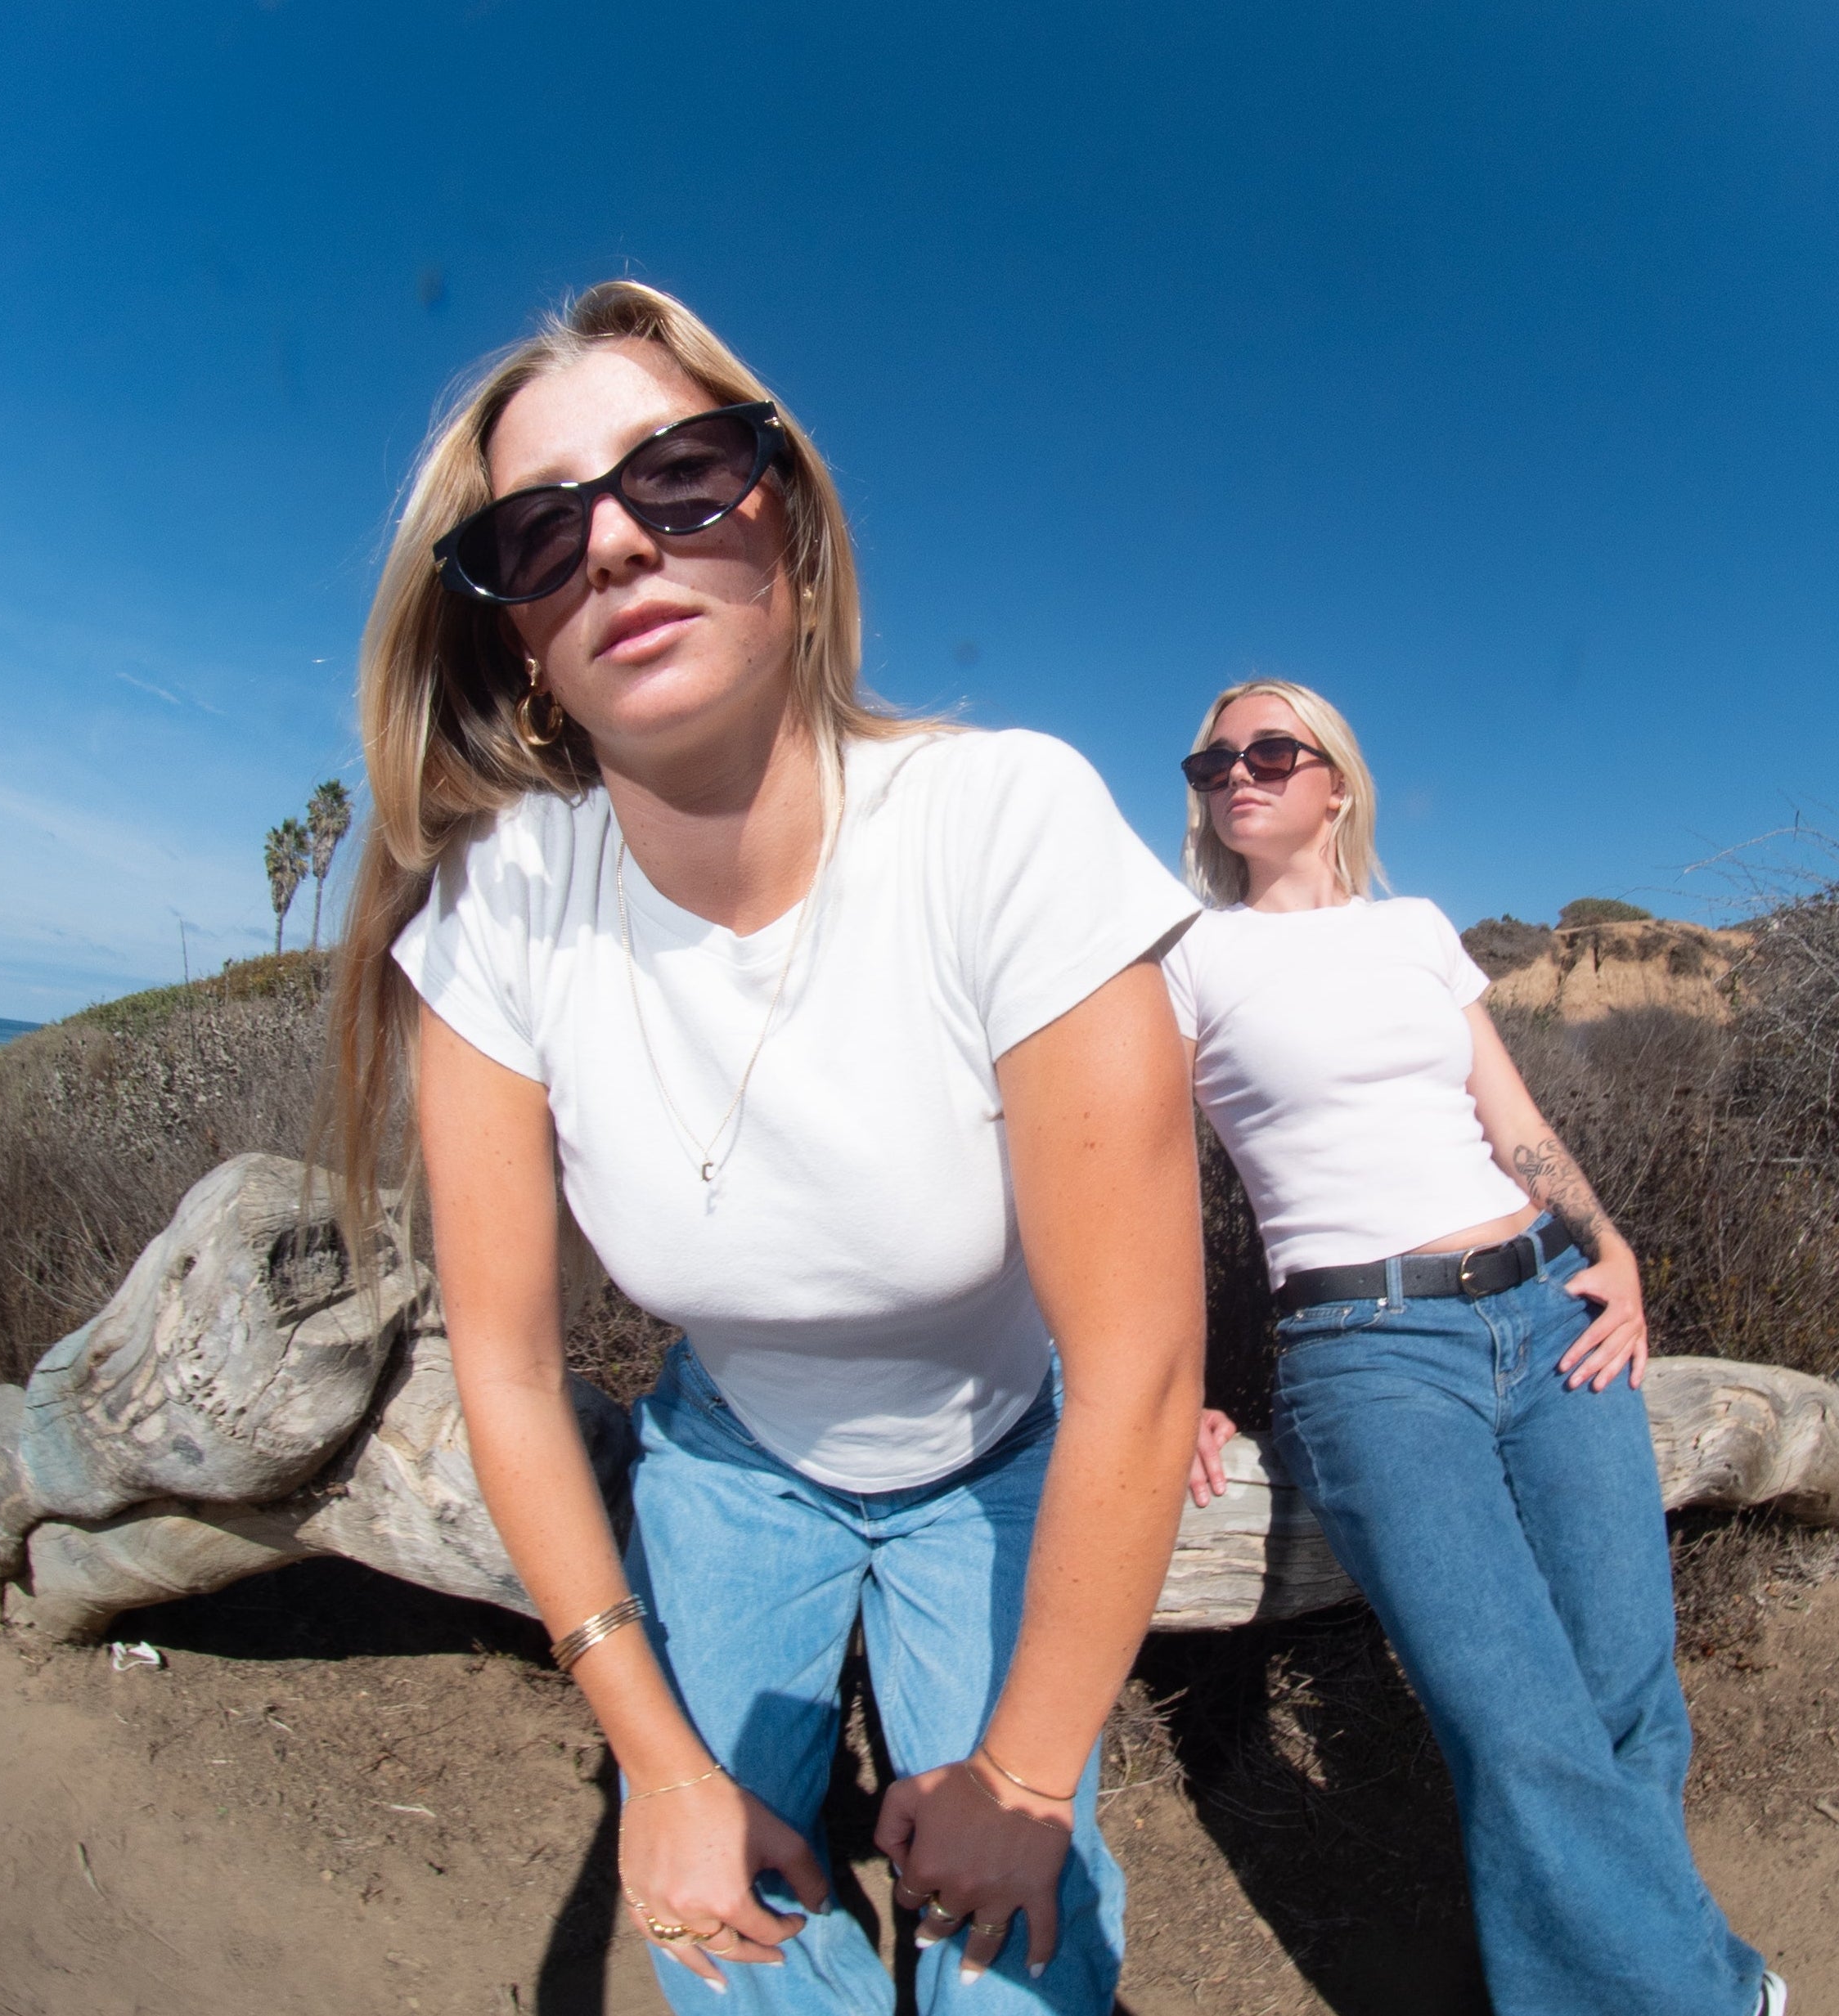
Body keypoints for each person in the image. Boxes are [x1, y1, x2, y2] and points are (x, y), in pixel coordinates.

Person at [326, 280, 1209, 2013]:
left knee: (1020, 1968)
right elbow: (501, 1369)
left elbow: (1141, 1361)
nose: (618, 550)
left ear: (786, 527)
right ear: (517, 628)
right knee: (728, 1952)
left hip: (1002, 1448)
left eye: (680, 477)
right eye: (541, 530)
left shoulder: (1001, 824)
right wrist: (655, 1766)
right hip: (729, 1466)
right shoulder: (503, 915)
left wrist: (1028, 1786)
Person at [1162, 677, 1783, 2016]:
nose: (1239, 772)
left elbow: (1506, 1120)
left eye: (1273, 748)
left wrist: (1607, 1242)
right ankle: (1705, 1995)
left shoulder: (1415, 929)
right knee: (1517, 1721)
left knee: (1624, 1691)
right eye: (1214, 758)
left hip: (1546, 1303)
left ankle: (1617, 1983)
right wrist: (1167, 1385)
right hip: (1366, 1348)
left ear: (1335, 780)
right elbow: (1137, 1178)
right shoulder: (1187, 958)